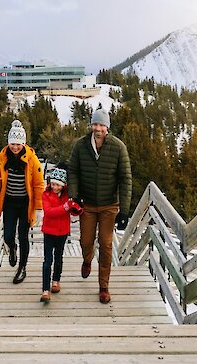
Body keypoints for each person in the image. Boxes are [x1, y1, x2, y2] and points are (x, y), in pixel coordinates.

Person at [67, 108, 132, 304]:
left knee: (106, 244)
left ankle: (104, 286)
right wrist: (74, 197)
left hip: (108, 206)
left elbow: (125, 179)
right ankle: (87, 260)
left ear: (107, 127)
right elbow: (73, 171)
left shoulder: (118, 147)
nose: (98, 129)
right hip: (87, 204)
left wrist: (125, 211)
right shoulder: (81, 146)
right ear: (91, 125)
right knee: (86, 241)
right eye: (95, 124)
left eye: (102, 125)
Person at [0, 119, 44, 284]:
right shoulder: (2, 158)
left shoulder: (31, 159)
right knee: (8, 236)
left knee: (23, 236)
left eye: (18, 144)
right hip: (9, 203)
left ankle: (22, 268)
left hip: (25, 204)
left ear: (23, 143)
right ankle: (12, 248)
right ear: (8, 143)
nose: (15, 147)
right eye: (12, 144)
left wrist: (39, 207)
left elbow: (38, 184)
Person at [39, 164, 71, 303]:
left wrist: (75, 208)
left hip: (62, 231)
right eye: (53, 184)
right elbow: (49, 212)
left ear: (63, 185)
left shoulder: (68, 195)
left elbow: (74, 209)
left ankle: (56, 281)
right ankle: (45, 290)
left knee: (58, 257)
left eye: (58, 185)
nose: (55, 187)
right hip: (49, 231)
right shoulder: (46, 195)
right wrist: (65, 207)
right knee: (48, 260)